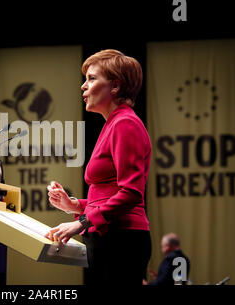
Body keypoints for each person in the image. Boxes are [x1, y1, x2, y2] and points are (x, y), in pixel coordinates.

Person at [44, 49, 152, 285]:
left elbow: (131, 193)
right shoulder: (113, 124)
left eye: (92, 79)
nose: (84, 86)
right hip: (110, 238)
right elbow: (109, 195)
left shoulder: (125, 124)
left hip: (122, 240)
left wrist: (81, 222)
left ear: (115, 86)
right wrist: (73, 205)